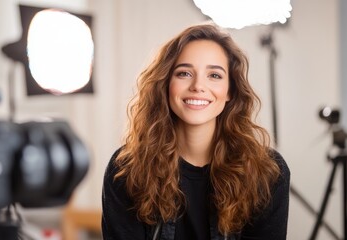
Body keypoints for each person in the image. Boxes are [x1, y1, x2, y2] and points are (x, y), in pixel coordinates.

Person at [101, 23, 290, 240]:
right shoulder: (126, 170)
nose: (198, 85)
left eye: (215, 75)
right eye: (184, 73)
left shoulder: (268, 173)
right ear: (166, 84)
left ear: (231, 90)